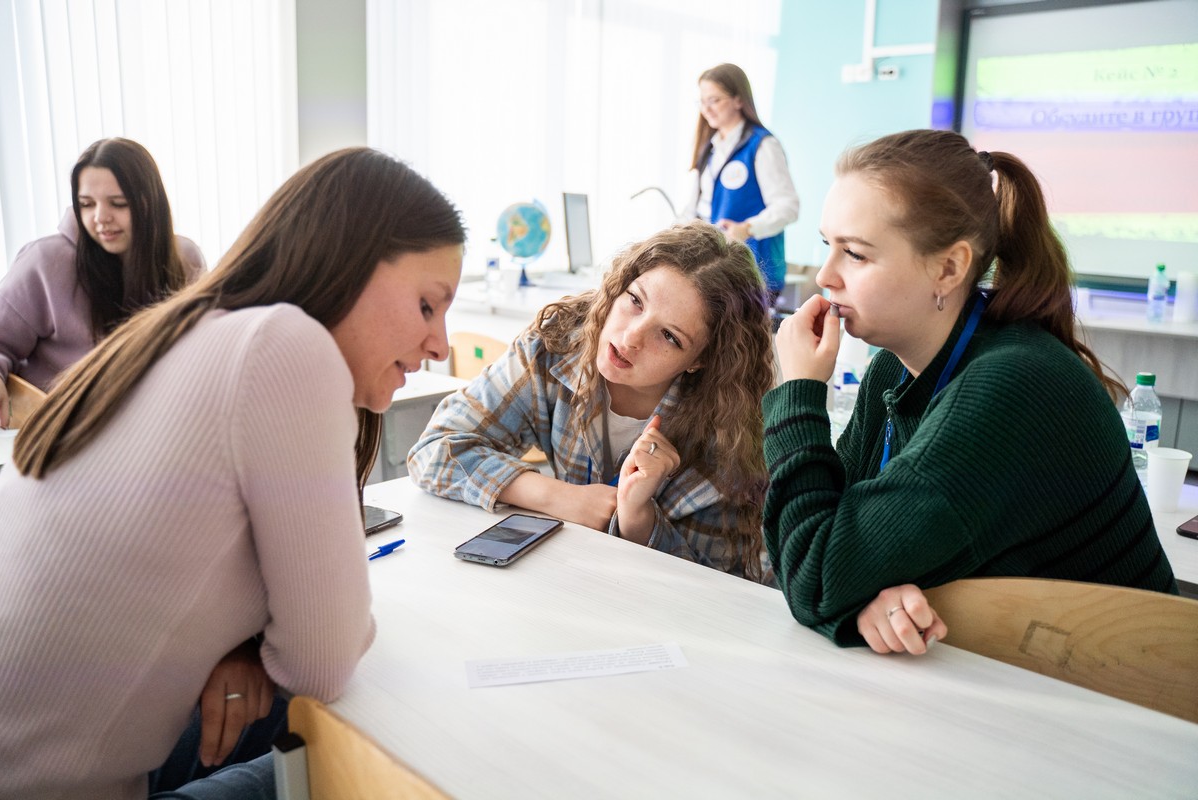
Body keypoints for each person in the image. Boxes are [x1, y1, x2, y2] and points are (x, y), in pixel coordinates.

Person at [0, 147, 466, 799]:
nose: (441, 343)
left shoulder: (185, 326)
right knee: (388, 765)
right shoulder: (286, 348)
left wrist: (249, 648)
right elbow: (324, 660)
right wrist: (279, 648)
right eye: (426, 305)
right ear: (350, 263)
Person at [764, 129, 1177, 654]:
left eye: (856, 255)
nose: (826, 276)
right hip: (1006, 670)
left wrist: (798, 390)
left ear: (949, 268)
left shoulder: (1012, 388)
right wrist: (861, 597)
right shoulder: (892, 369)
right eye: (828, 246)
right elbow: (824, 550)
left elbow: (814, 575)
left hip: (1121, 686)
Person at [409, 221, 775, 582]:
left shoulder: (729, 434)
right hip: (568, 584)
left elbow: (720, 589)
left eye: (668, 336)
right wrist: (559, 497)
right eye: (635, 301)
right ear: (619, 286)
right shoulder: (556, 343)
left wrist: (637, 520)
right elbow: (434, 449)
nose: (630, 338)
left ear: (702, 360)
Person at [0, 137, 206, 428]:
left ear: (149, 202)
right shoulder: (45, 262)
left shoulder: (185, 258)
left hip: (160, 428)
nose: (100, 218)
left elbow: (203, 348)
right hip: (64, 434)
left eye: (118, 203)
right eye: (86, 204)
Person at [680, 63, 799, 303]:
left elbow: (788, 207)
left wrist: (747, 228)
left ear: (738, 100)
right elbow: (696, 208)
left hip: (752, 273)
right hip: (716, 268)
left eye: (714, 100)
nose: (706, 109)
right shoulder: (710, 148)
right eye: (702, 101)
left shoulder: (762, 146)